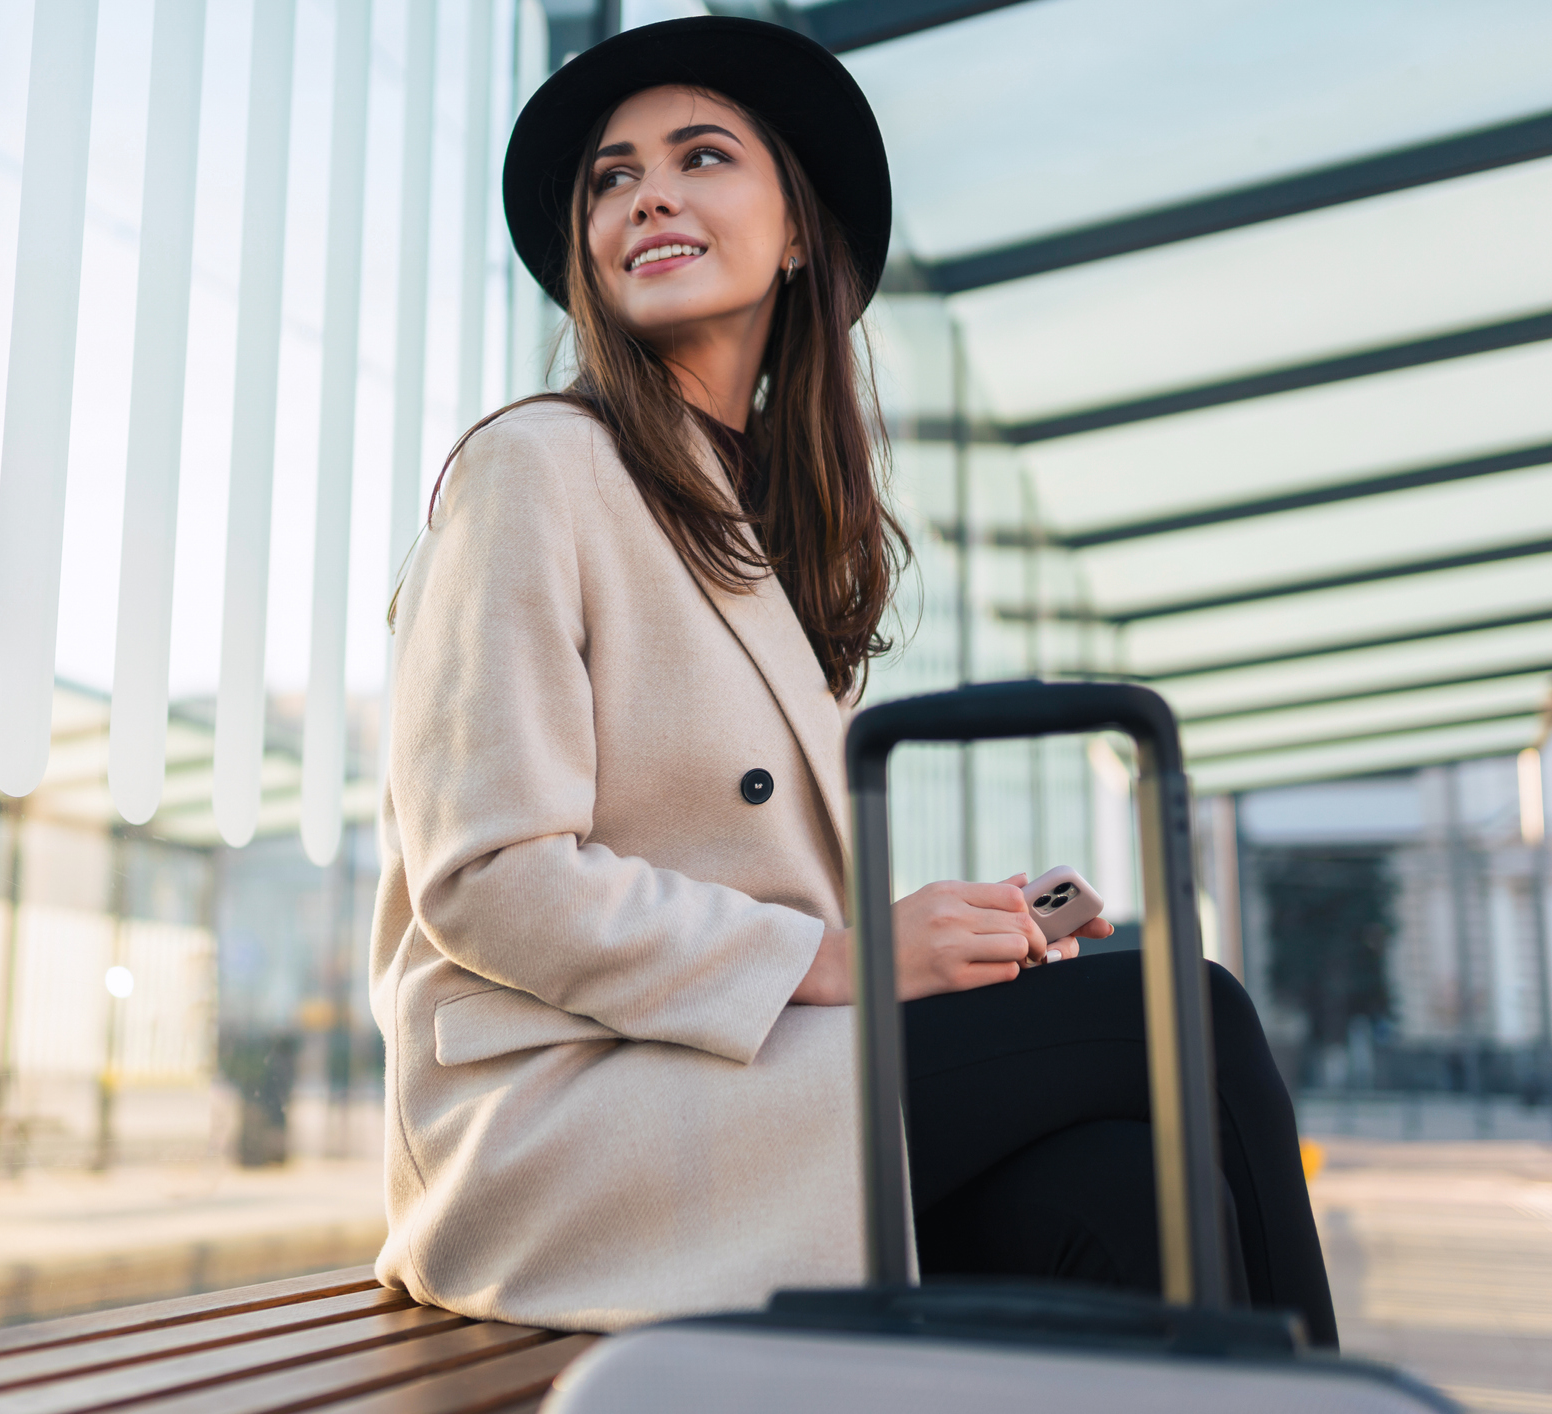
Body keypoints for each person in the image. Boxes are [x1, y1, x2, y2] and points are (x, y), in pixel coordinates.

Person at [370, 16, 1334, 1343]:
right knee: (1190, 1013)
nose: (647, 192)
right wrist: (849, 952)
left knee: (1122, 1194)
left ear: (795, 235)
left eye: (700, 156)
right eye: (611, 175)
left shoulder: (755, 518)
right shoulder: (534, 468)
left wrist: (943, 938)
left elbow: (747, 904)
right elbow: (488, 877)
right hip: (569, 1120)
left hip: (742, 1086)